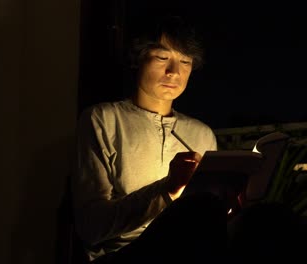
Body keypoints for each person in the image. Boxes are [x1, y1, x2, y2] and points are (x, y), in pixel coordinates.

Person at [71, 15, 225, 263]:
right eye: (162, 58)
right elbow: (92, 226)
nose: (173, 72)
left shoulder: (201, 134)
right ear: (138, 59)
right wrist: (168, 188)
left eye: (185, 61)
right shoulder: (104, 120)